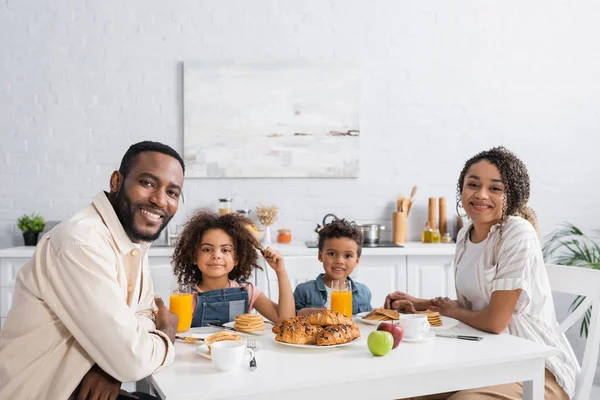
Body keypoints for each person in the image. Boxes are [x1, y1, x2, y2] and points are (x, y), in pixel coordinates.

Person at [385, 146, 578, 399]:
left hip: (536, 370)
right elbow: (474, 309)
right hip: (485, 361)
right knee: (398, 390)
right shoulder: (466, 235)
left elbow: (494, 322)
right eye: (473, 184)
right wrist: (420, 303)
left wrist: (452, 310)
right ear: (461, 189)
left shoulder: (517, 233)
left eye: (495, 188)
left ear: (513, 195)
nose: (481, 195)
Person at [0, 141, 185, 400]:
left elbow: (143, 313)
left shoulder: (132, 238)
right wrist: (166, 334)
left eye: (172, 192)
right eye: (147, 183)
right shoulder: (81, 242)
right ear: (116, 181)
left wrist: (109, 366)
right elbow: (133, 360)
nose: (159, 200)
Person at [171, 211, 295, 326]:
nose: (216, 255)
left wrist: (280, 271)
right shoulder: (186, 296)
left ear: (236, 259)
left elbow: (285, 320)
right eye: (207, 249)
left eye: (225, 250)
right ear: (194, 257)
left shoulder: (247, 291)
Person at [294, 218, 374, 316]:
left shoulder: (364, 292)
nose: (339, 261)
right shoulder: (304, 291)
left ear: (356, 261)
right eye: (332, 254)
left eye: (348, 256)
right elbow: (290, 317)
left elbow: (368, 321)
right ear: (320, 256)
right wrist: (305, 313)